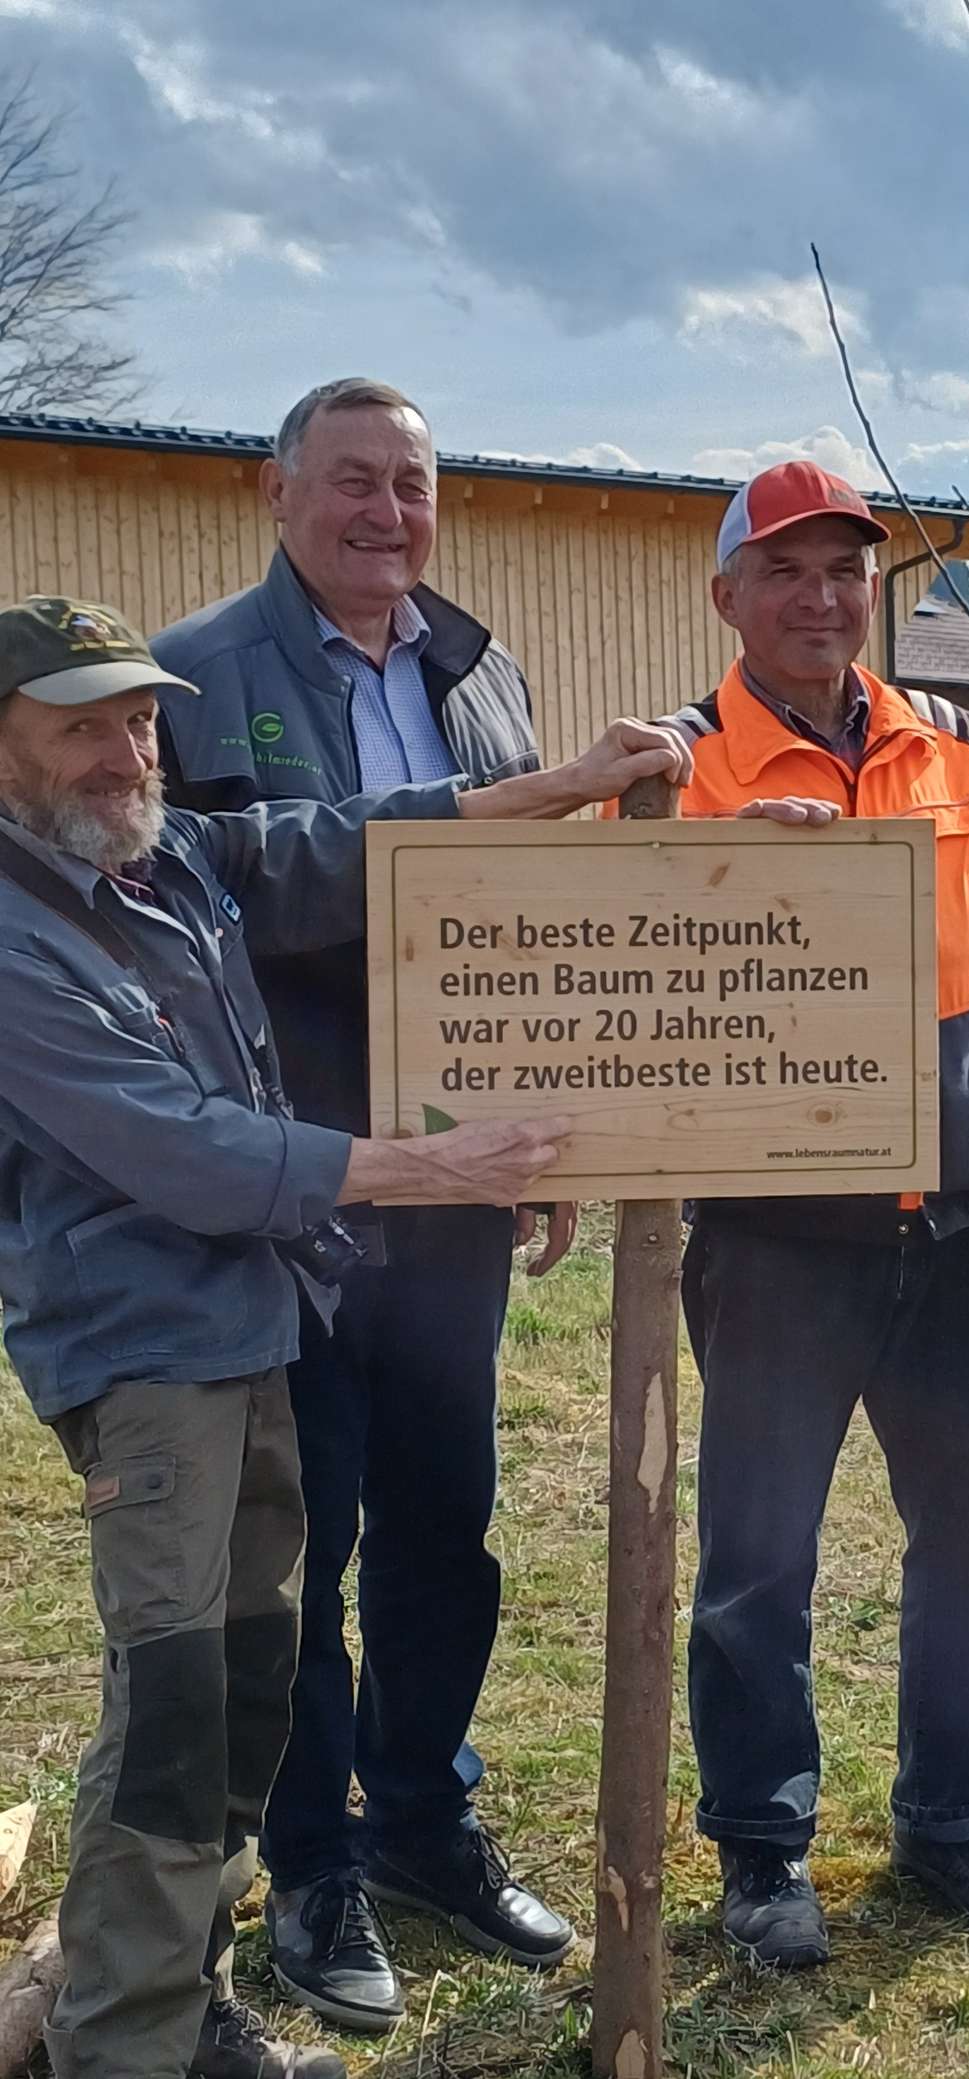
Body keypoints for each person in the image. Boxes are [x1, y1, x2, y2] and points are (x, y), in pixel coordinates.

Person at [0, 595, 690, 2079]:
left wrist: (551, 785)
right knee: (182, 1701)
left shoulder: (162, 856)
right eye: (80, 726)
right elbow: (179, 1146)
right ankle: (125, 2044)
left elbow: (330, 843)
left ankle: (178, 1997)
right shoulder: (12, 938)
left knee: (251, 1677)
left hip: (249, 1324)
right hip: (145, 1359)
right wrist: (435, 1165)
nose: (128, 752)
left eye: (137, 719)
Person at [151, 378, 576, 2031]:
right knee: (303, 1542)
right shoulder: (193, 680)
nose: (385, 513)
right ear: (278, 495)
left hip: (459, 1190)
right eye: (352, 483)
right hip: (296, 1187)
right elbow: (227, 902)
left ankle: (420, 1821)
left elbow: (524, 923)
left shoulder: (488, 678)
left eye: (410, 484)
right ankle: (311, 1864)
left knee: (442, 1523)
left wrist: (555, 1143)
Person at [651, 459, 969, 1968]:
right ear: (730, 598)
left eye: (847, 570)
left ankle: (957, 1828)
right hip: (778, 1240)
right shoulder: (680, 763)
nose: (822, 597)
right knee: (759, 1560)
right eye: (786, 571)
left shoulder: (964, 747)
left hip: (960, 1226)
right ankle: (763, 1856)